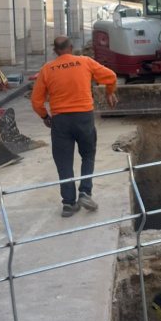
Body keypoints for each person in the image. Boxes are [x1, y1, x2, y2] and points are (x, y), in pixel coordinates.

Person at [31, 36, 118, 217]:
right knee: (87, 155)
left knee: (64, 162)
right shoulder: (85, 62)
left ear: (55, 51)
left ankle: (69, 204)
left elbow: (36, 101)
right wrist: (110, 93)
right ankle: (85, 192)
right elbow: (111, 77)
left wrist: (44, 116)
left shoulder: (47, 69)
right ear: (71, 48)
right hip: (84, 117)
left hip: (60, 120)